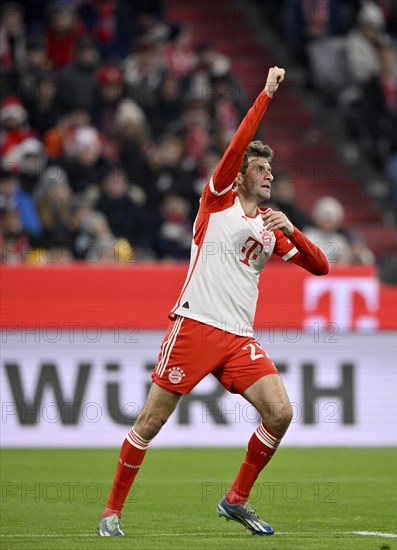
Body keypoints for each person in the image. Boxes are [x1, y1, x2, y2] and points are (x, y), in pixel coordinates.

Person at [97, 66, 329, 537]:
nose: (268, 175)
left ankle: (236, 499)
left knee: (281, 413)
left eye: (270, 170)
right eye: (259, 169)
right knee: (151, 420)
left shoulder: (270, 224)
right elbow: (237, 144)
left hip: (239, 337)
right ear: (240, 175)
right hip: (195, 325)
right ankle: (111, 512)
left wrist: (294, 232)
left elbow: (321, 267)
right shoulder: (217, 200)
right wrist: (264, 94)